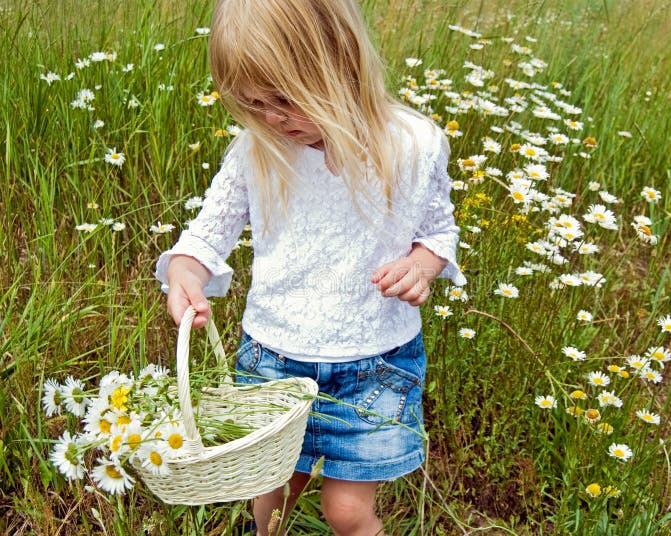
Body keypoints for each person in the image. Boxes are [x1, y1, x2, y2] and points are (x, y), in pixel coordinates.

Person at [155, 0, 465, 534]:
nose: (273, 118)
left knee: (346, 510)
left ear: (340, 62)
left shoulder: (412, 145)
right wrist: (185, 273)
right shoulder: (258, 150)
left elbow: (437, 232)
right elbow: (205, 236)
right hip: (273, 358)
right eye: (254, 103)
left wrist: (420, 265)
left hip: (374, 365)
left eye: (285, 99)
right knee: (271, 494)